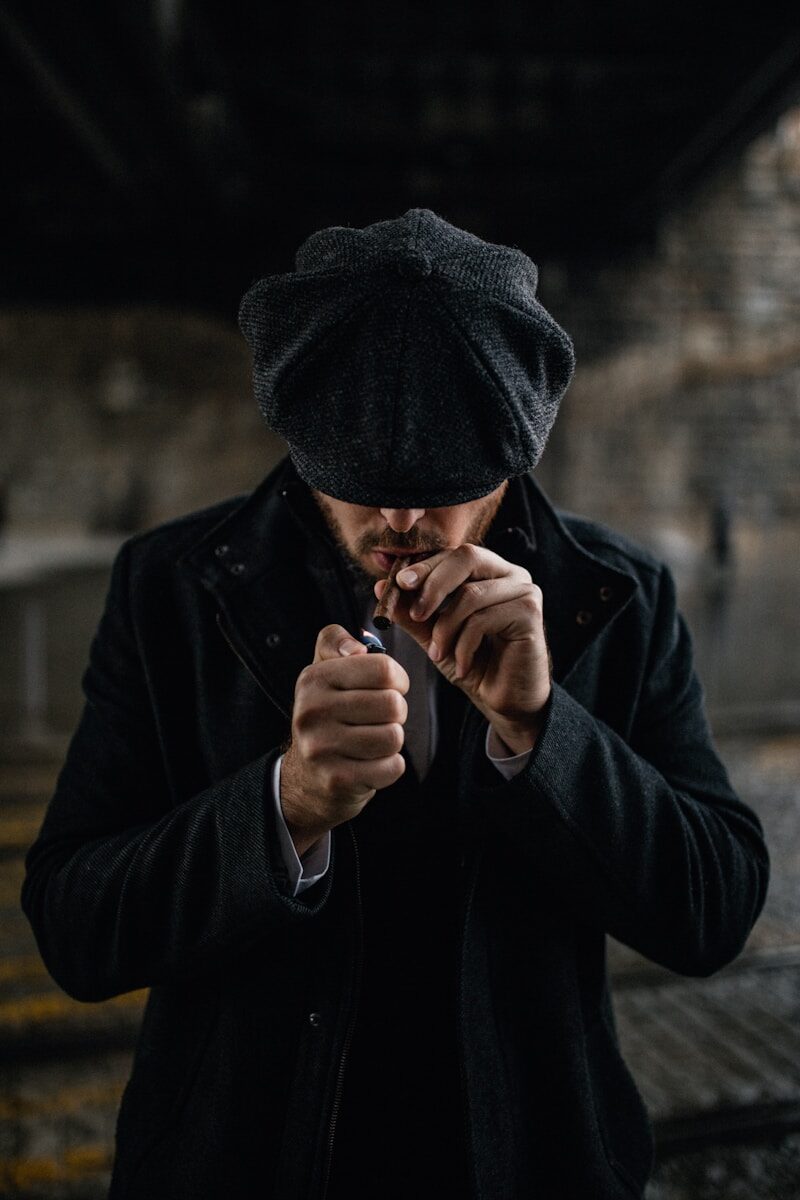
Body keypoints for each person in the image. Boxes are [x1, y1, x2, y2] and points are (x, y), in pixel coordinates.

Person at [21, 209, 769, 1199]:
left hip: (525, 1159)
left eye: (447, 487)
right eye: (361, 486)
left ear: (514, 459)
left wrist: (543, 730)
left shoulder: (615, 594)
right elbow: (75, 924)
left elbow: (710, 908)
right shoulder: (173, 588)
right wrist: (281, 808)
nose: (404, 522)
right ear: (299, 446)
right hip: (242, 1161)